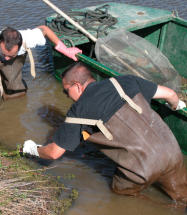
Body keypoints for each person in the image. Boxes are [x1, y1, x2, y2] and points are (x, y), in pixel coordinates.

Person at [23, 61, 187, 204]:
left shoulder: (78, 111)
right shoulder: (125, 80)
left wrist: (32, 148)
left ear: (77, 86)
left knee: (120, 196)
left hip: (140, 170)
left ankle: (157, 207)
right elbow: (171, 94)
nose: (66, 96)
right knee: (182, 196)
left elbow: (53, 153)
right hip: (172, 150)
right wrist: (176, 106)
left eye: (66, 91)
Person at [0, 25, 82, 137]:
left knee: (14, 91)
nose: (7, 58)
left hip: (15, 59)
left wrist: (65, 50)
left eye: (11, 55)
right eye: (5, 54)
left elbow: (45, 29)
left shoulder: (28, 38)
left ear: (20, 46)